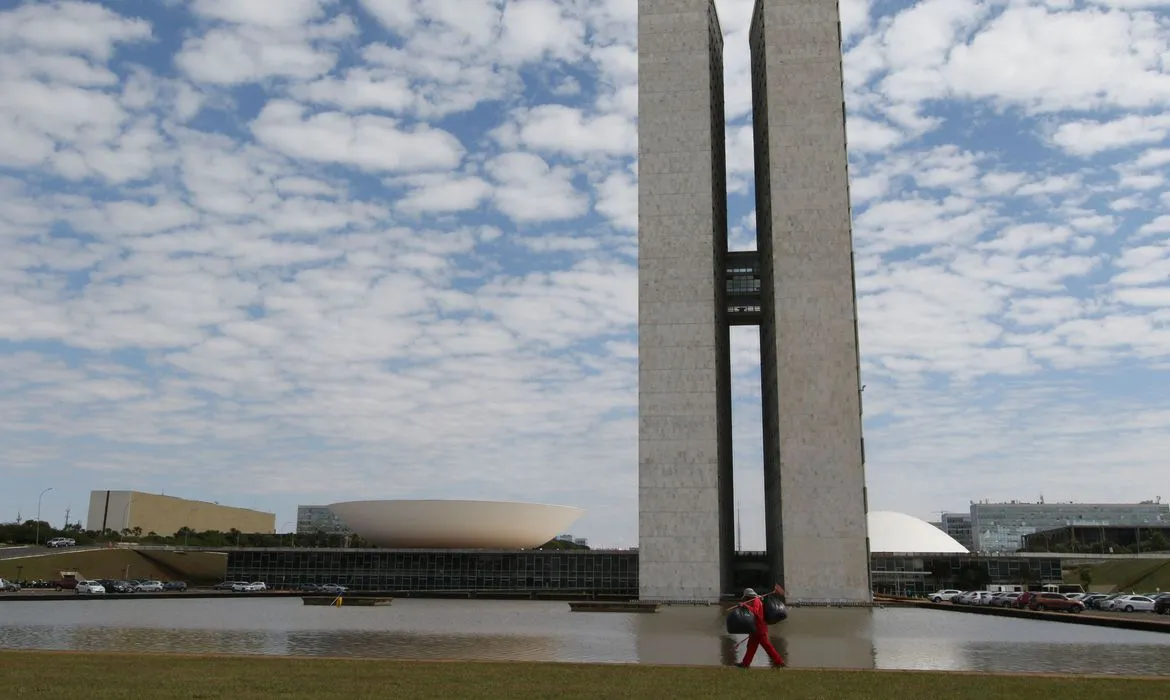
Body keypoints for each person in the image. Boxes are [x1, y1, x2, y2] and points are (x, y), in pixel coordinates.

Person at [734, 585, 786, 668]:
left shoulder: (756, 601)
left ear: (748, 595)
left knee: (767, 647)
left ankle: (779, 662)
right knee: (751, 647)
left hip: (760, 628)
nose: (745, 599)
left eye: (746, 597)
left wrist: (745, 606)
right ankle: (745, 664)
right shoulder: (753, 601)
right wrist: (743, 606)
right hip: (755, 629)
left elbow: (755, 612)